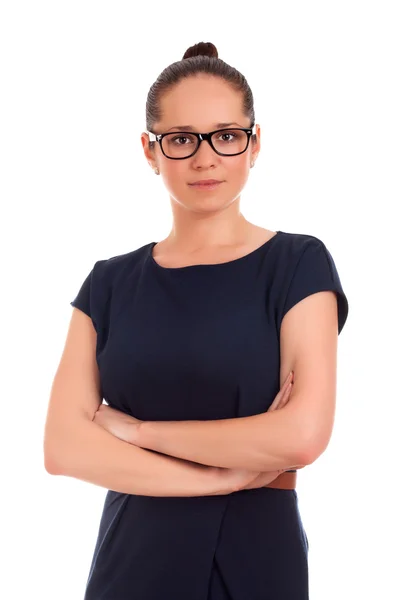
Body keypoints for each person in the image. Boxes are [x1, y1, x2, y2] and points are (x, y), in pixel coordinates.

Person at [44, 41, 349, 599]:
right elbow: (63, 448)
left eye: (226, 136)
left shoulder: (298, 263)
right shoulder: (108, 282)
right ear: (149, 150)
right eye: (181, 139)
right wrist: (225, 477)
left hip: (257, 557)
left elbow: (302, 436)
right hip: (131, 560)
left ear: (254, 144)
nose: (205, 159)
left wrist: (136, 433)